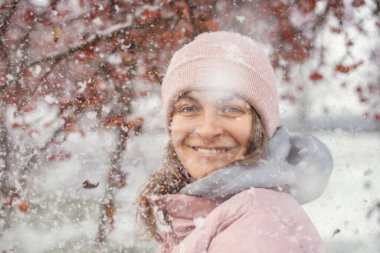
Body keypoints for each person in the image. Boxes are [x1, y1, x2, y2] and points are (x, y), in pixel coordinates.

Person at [136, 31, 333, 253]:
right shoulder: (219, 213)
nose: (208, 129)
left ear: (260, 126)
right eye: (189, 109)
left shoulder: (257, 226)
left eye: (231, 109)